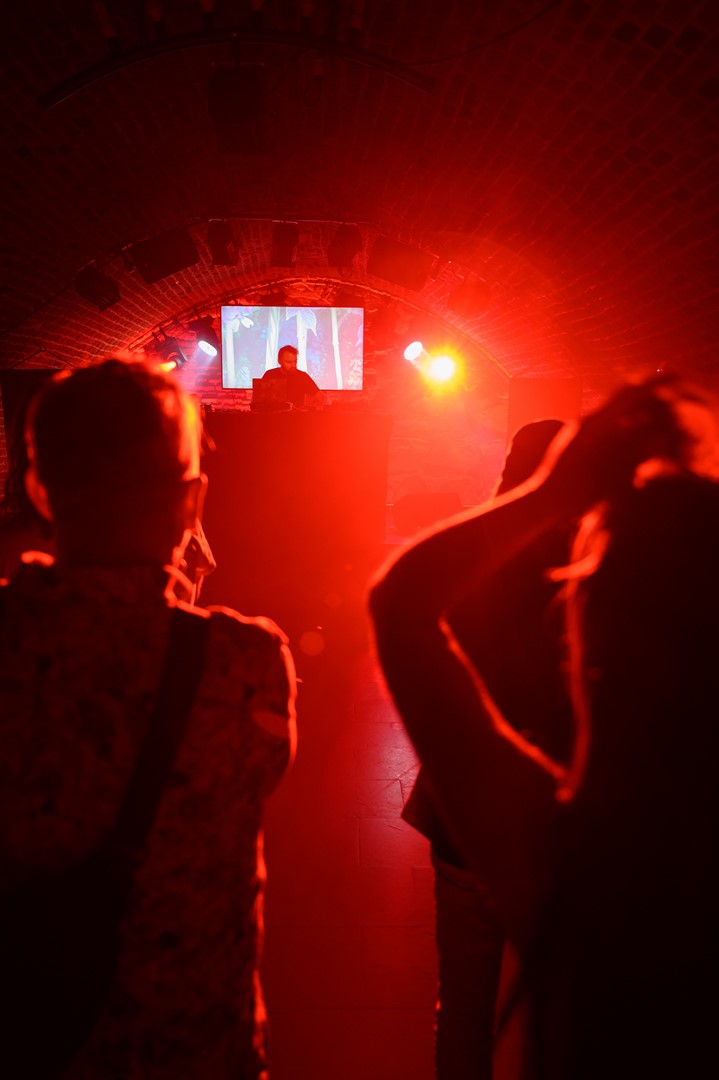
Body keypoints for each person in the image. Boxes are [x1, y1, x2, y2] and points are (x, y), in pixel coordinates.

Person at [369, 378, 719, 1079]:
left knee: (464, 1004)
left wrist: (550, 492)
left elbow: (403, 607)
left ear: (593, 654)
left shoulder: (565, 851)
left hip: (466, 842)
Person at [0, 358, 297, 1079]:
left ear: (39, 489)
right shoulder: (244, 660)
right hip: (193, 1047)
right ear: (191, 502)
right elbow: (267, 772)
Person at [401, 419, 573, 1080]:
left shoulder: (468, 562)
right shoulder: (590, 576)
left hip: (466, 819)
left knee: (464, 1004)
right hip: (552, 827)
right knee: (554, 1009)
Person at [259, 344, 326, 408]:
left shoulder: (303, 377)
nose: (293, 365)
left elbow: (320, 396)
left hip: (296, 415)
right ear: (279, 361)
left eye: (295, 361)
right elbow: (259, 400)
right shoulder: (270, 375)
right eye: (289, 362)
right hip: (273, 415)